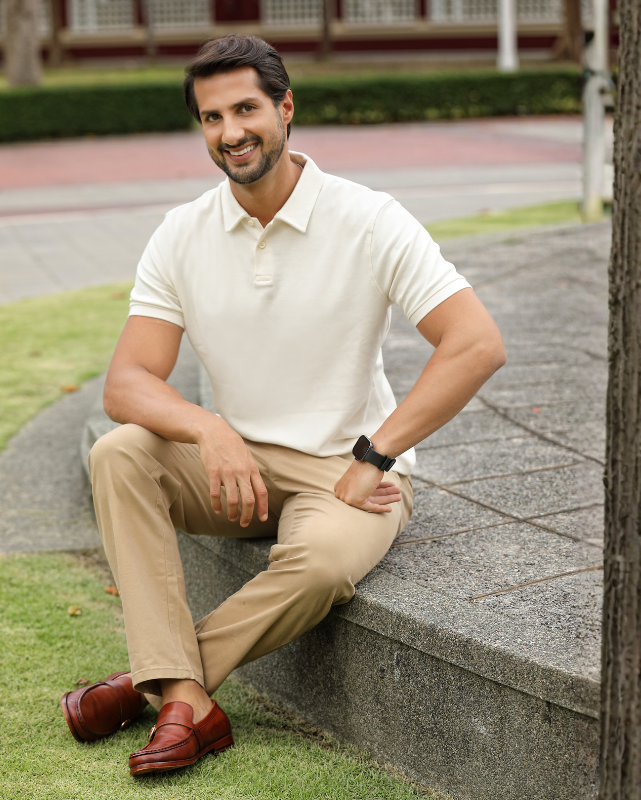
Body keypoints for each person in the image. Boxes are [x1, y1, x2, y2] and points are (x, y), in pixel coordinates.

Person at [60, 34, 506, 776]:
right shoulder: (183, 232)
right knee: (119, 454)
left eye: (245, 109)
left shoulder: (369, 219)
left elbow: (475, 344)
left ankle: (166, 691)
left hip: (346, 472)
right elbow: (127, 383)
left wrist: (377, 454)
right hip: (234, 468)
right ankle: (184, 698)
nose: (230, 132)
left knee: (325, 563)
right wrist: (209, 428)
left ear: (285, 107)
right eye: (211, 118)